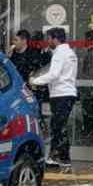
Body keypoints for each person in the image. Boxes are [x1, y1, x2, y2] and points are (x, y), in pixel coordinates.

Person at [30, 27, 79, 172]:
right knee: (58, 126)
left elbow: (54, 74)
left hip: (60, 94)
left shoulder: (59, 53)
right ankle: (56, 157)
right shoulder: (70, 52)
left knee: (58, 127)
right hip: (68, 93)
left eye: (49, 38)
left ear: (55, 39)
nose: (47, 41)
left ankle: (63, 159)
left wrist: (35, 81)